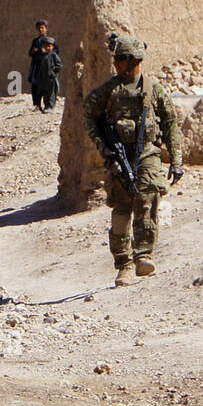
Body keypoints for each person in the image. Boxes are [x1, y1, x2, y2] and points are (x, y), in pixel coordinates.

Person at [83, 36, 183, 287]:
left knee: (148, 202)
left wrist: (176, 160)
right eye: (115, 59)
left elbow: (170, 124)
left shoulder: (153, 89)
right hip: (119, 157)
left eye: (119, 59)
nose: (115, 64)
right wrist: (103, 146)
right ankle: (124, 264)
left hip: (147, 154)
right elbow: (89, 115)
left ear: (133, 61)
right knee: (121, 210)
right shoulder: (109, 91)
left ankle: (143, 255)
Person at [28, 20, 62, 111]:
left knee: (49, 87)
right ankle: (37, 105)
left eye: (42, 28)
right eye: (39, 28)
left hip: (48, 68)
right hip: (37, 67)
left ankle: (49, 106)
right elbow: (31, 53)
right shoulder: (35, 41)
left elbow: (55, 53)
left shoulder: (51, 41)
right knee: (36, 86)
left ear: (46, 29)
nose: (41, 30)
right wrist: (39, 52)